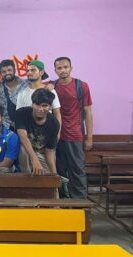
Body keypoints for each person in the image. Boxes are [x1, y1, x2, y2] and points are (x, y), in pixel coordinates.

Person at [54, 57, 93, 199]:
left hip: (75, 135)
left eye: (65, 67)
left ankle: (81, 204)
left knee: (78, 170)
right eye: (59, 68)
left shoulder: (81, 86)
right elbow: (32, 83)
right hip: (57, 137)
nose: (63, 70)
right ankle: (64, 201)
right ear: (55, 70)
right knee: (60, 171)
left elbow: (88, 112)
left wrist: (89, 138)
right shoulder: (51, 86)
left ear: (71, 68)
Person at [15, 88, 60, 175]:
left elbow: (49, 152)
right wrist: (35, 160)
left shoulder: (54, 123)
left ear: (50, 107)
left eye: (44, 105)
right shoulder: (21, 113)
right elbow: (23, 137)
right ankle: (27, 179)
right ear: (32, 104)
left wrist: (55, 175)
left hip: (40, 153)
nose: (40, 109)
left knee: (50, 177)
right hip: (22, 151)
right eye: (37, 105)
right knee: (23, 149)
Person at [16, 60, 62, 137]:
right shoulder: (22, 93)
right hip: (28, 136)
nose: (29, 72)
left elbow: (57, 114)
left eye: (33, 70)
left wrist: (57, 134)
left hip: (48, 135)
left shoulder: (50, 91)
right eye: (28, 70)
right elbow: (19, 117)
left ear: (41, 72)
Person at [0, 59, 29, 131]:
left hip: (26, 124)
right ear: (0, 73)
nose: (7, 73)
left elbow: (39, 82)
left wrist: (51, 84)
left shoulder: (26, 83)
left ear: (14, 70)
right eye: (3, 71)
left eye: (9, 70)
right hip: (7, 126)